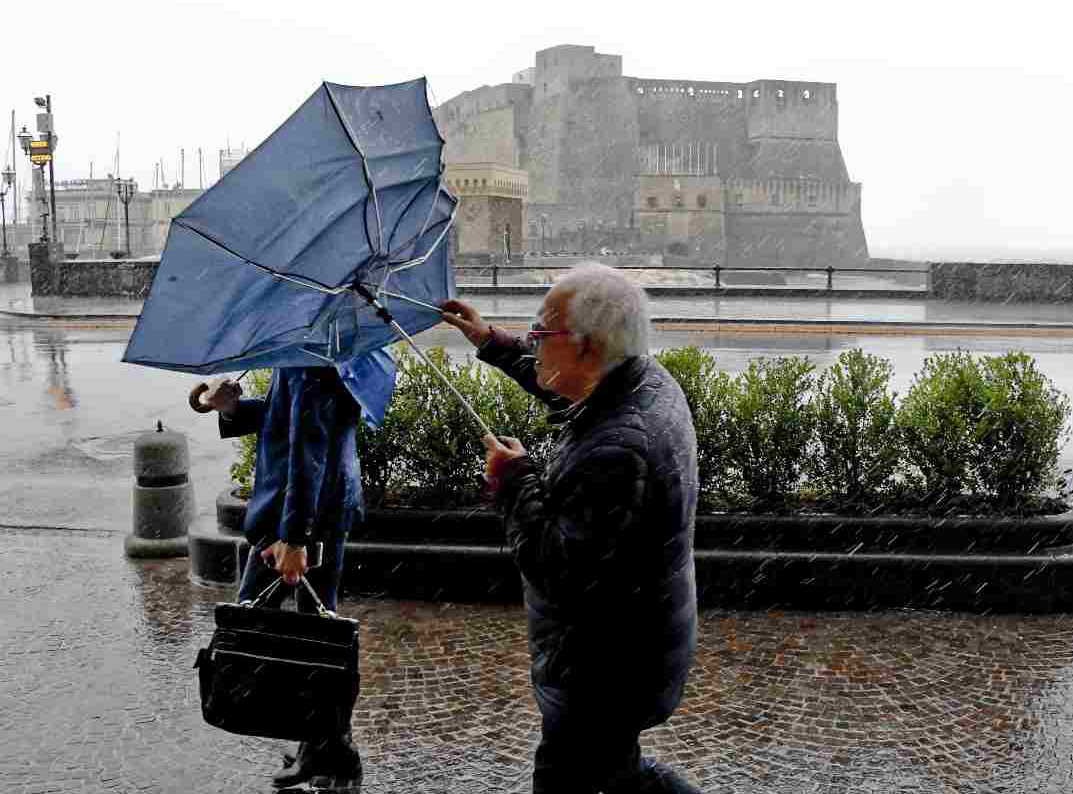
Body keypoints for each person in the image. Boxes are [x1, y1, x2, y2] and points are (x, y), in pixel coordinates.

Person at [442, 263, 702, 793]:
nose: (533, 341)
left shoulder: (618, 448)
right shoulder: (640, 382)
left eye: (541, 332)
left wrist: (513, 481)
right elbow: (565, 386)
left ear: (588, 345)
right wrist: (492, 341)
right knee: (619, 772)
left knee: (573, 776)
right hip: (636, 645)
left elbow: (555, 570)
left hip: (603, 671)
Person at [199, 354, 390, 791]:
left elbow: (311, 441)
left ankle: (332, 753)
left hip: (305, 510)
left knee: (294, 634)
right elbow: (287, 415)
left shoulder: (318, 353)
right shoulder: (315, 346)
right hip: (301, 507)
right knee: (314, 636)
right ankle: (327, 753)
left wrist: (296, 537)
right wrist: (231, 408)